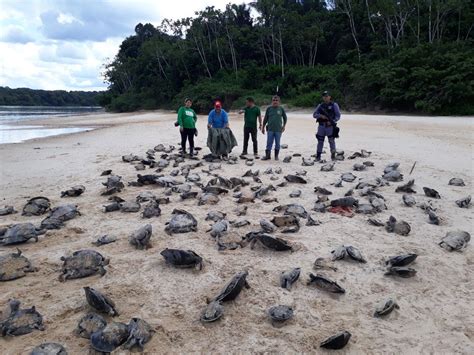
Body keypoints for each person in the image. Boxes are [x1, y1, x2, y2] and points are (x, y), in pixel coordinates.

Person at [313, 91, 341, 161]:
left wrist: (332, 122)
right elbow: (314, 115)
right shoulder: (320, 105)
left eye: (327, 96)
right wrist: (321, 116)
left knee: (331, 141)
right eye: (324, 96)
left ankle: (333, 156)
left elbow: (338, 116)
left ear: (330, 97)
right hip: (321, 126)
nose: (326, 98)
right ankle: (318, 156)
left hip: (330, 126)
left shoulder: (334, 105)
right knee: (320, 141)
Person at [261, 95, 287, 161]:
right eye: (274, 100)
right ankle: (267, 156)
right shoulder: (269, 109)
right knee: (269, 143)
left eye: (276, 100)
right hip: (270, 129)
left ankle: (276, 156)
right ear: (272, 101)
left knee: (277, 143)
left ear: (279, 101)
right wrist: (263, 127)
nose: (275, 101)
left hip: (278, 130)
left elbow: (285, 118)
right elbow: (265, 118)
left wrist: (284, 126)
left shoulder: (281, 109)